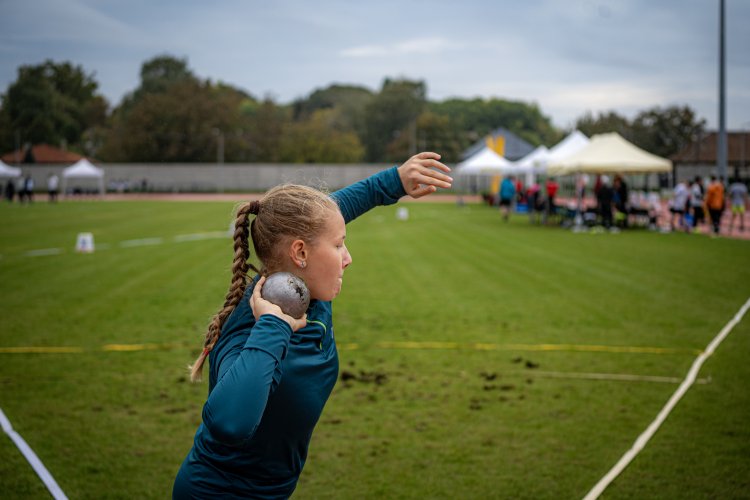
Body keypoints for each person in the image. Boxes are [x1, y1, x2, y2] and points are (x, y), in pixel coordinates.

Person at [173, 152, 452, 499]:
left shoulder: (311, 289)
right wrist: (274, 327)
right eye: (338, 245)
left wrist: (394, 181)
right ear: (300, 253)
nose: (348, 257)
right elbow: (229, 424)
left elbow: (324, 215)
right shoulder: (251, 329)